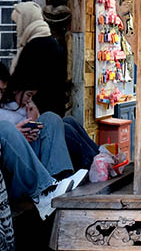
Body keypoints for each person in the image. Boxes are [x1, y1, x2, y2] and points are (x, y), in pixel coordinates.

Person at [9, 2, 99, 169]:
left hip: (40, 112)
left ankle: (96, 160)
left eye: (17, 23)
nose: (16, 29)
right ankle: (98, 159)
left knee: (65, 125)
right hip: (49, 110)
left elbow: (18, 85)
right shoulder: (50, 42)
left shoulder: (34, 47)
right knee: (66, 125)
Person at [0, 64, 84, 219]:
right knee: (5, 129)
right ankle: (45, 191)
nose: (0, 96)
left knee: (51, 118)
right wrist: (13, 133)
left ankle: (58, 183)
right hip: (11, 180)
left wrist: (30, 122)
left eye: (2, 92)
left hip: (27, 169)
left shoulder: (19, 107)